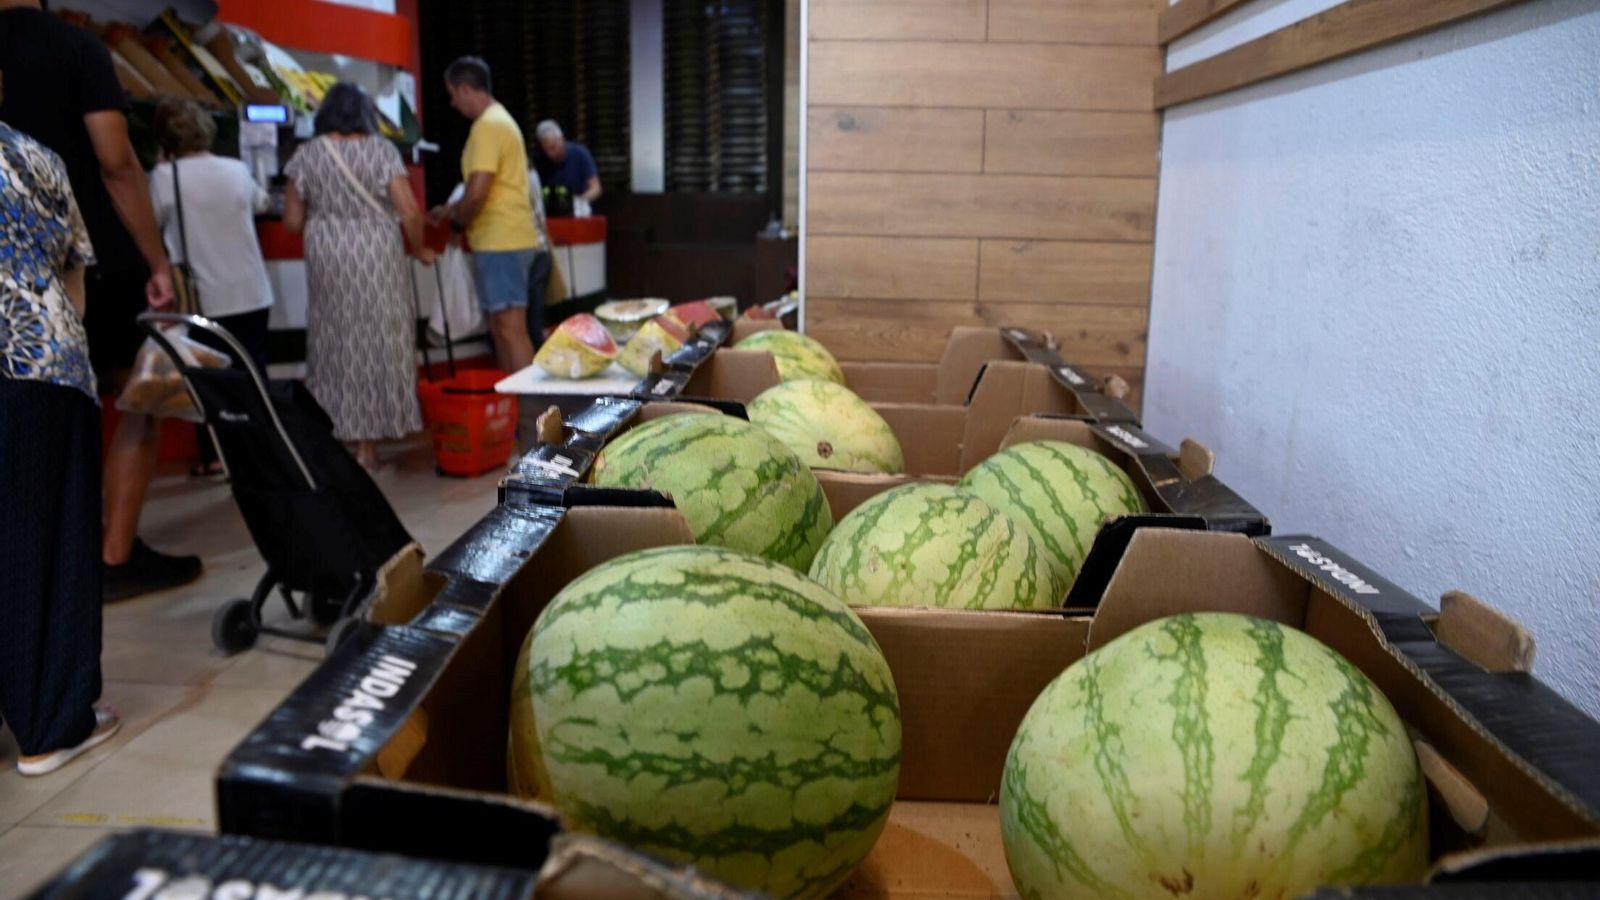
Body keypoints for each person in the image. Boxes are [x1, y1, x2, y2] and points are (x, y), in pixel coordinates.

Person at [0, 0, 202, 604]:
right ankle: (113, 554)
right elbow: (116, 163)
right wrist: (158, 261)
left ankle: (31, 564)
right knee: (141, 392)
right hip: (82, 258)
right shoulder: (76, 48)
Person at [0, 122, 122, 775]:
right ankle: (50, 721)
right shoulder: (34, 156)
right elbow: (74, 272)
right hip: (41, 356)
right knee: (47, 539)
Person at [282, 82, 433, 472]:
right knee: (378, 338)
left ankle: (341, 439)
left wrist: (328, 218)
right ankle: (370, 445)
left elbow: (293, 221)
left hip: (327, 256)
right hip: (377, 255)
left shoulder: (306, 155)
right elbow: (411, 214)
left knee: (334, 341)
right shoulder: (382, 151)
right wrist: (418, 250)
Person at [149, 97, 276, 478]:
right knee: (253, 371)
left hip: (203, 295)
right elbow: (262, 202)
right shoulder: (237, 169)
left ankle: (219, 455)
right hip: (251, 289)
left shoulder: (163, 178)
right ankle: (265, 446)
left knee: (206, 378)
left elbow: (149, 222)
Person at [429, 57, 546, 372]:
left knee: (510, 330)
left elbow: (478, 191)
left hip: (502, 241)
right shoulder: (498, 122)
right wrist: (451, 208)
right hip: (501, 240)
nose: (453, 103)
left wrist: (457, 221)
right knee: (501, 328)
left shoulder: (488, 126)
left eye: (453, 94)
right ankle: (513, 404)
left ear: (466, 89)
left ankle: (529, 413)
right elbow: (483, 188)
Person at [532, 120, 601, 208]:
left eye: (553, 148)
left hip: (579, 212)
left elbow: (596, 188)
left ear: (562, 139)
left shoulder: (580, 154)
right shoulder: (539, 160)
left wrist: (578, 202)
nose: (549, 154)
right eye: (546, 150)